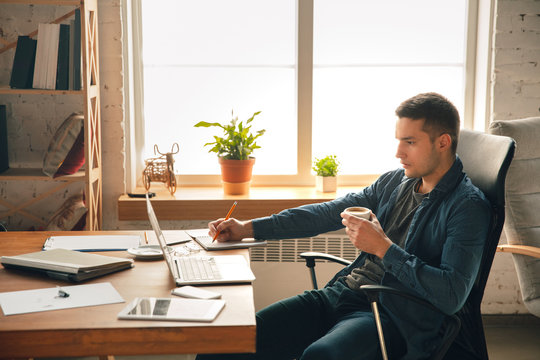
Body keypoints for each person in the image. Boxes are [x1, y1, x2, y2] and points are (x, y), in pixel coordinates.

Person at [196, 92, 491, 360]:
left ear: (443, 142)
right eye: (399, 140)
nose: (398, 153)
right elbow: (325, 213)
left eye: (410, 142)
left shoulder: (467, 207)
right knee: (224, 342)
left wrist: (384, 248)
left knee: (319, 356)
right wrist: (247, 228)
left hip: (390, 315)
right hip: (344, 292)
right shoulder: (394, 182)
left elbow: (451, 295)